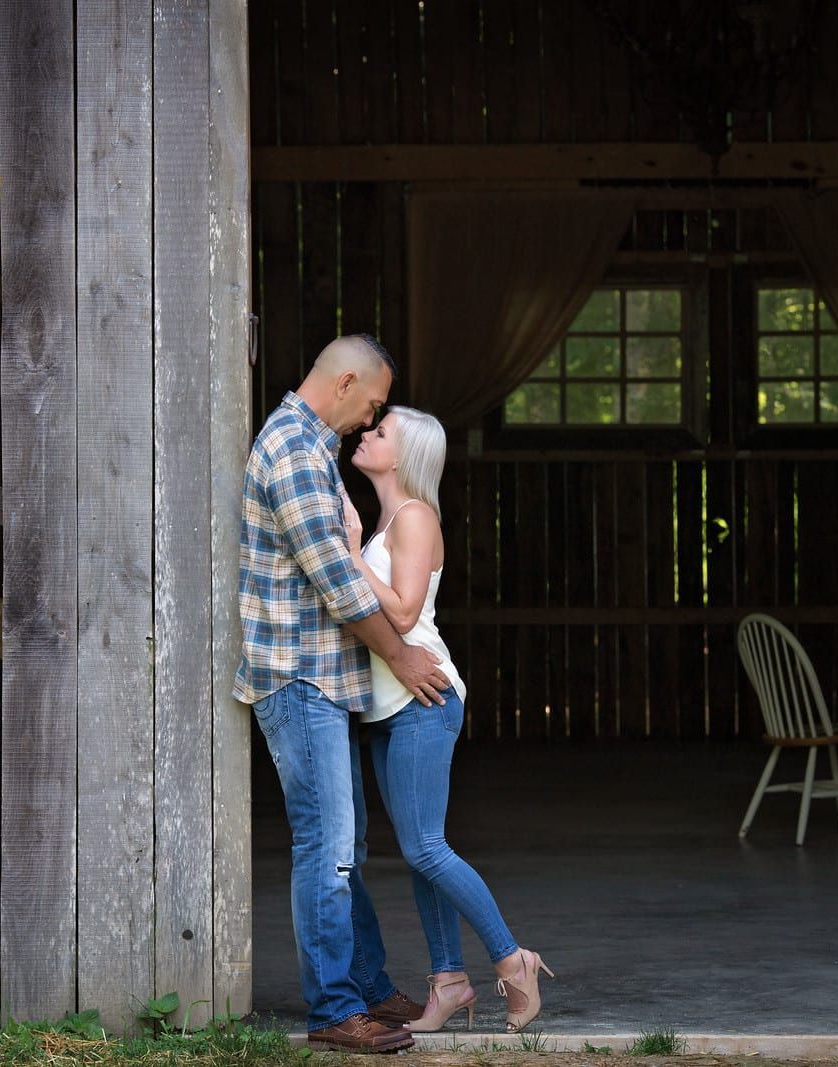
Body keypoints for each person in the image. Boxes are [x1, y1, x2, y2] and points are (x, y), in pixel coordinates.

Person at [235, 335, 452, 1053]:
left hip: (324, 678)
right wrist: (401, 654)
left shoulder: (313, 445)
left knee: (346, 845)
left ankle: (364, 984)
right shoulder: (295, 450)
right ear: (348, 380)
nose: (371, 417)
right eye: (375, 403)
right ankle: (333, 1010)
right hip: (297, 679)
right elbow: (336, 582)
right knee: (326, 845)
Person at [342, 405, 555, 1035]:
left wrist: (351, 556)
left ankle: (513, 961)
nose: (364, 433)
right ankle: (449, 981)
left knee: (426, 847)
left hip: (424, 700)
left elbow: (404, 616)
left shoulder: (415, 516)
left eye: (379, 433)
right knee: (418, 852)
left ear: (404, 457)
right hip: (391, 705)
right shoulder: (391, 519)